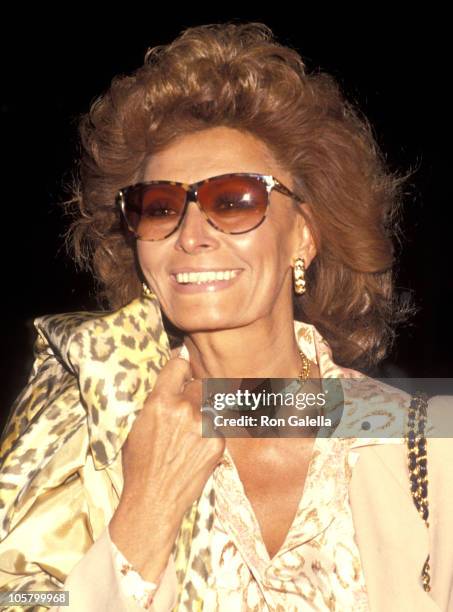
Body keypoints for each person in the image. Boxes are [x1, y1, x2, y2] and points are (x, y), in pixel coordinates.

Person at [0, 21, 452, 612]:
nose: (191, 236)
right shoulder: (90, 408)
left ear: (305, 236)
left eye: (234, 200)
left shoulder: (422, 440)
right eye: (159, 207)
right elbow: (24, 600)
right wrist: (144, 513)